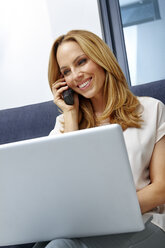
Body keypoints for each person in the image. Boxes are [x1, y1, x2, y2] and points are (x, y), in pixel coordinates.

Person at [39, 30, 165, 247]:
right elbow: (64, 187)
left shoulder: (151, 109)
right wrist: (70, 115)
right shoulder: (64, 125)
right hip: (85, 229)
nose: (76, 75)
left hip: (143, 222)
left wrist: (108, 213)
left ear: (100, 58)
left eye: (81, 62)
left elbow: (161, 188)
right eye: (66, 72)